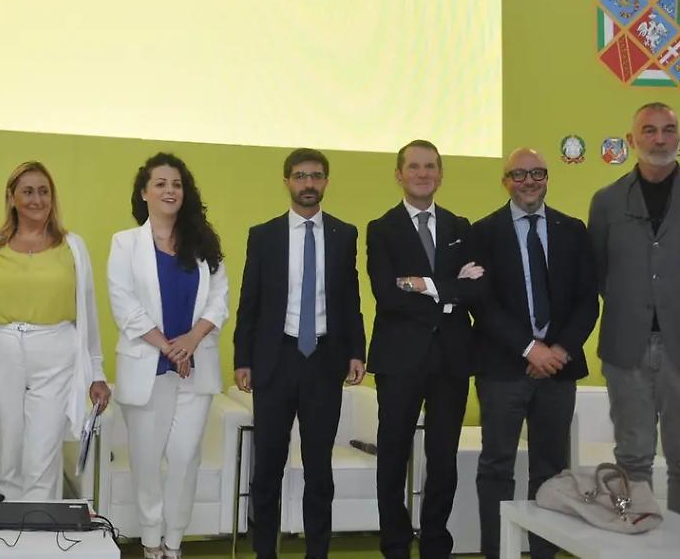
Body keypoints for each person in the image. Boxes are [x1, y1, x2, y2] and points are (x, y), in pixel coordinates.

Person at [589, 102, 680, 524]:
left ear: (679, 137)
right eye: (649, 130)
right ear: (632, 140)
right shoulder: (607, 202)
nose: (659, 139)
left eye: (668, 130)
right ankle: (633, 545)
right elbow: (598, 273)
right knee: (631, 462)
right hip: (627, 350)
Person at [232, 148, 366, 559]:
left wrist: (357, 351)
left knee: (318, 468)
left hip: (324, 362)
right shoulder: (265, 235)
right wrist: (243, 358)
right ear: (287, 181)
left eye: (316, 176)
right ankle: (264, 552)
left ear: (326, 182)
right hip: (276, 361)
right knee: (268, 468)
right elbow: (249, 300)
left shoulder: (344, 234)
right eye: (300, 176)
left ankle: (317, 552)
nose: (309, 183)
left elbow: (350, 298)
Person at [0, 160, 110, 499]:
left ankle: (39, 536)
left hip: (57, 356)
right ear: (11, 198)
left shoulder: (73, 247)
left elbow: (89, 317)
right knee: (9, 456)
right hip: (1, 354)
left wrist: (97, 373)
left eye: (44, 191)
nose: (37, 199)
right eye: (28, 192)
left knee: (42, 456)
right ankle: (13, 534)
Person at [471, 148, 598, 559]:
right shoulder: (483, 232)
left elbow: (586, 301)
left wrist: (557, 350)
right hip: (503, 369)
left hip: (558, 371)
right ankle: (498, 552)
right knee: (496, 468)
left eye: (537, 173)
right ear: (505, 181)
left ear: (547, 177)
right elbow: (482, 304)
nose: (529, 181)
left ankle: (545, 552)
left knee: (551, 472)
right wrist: (530, 349)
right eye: (519, 174)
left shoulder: (573, 229)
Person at [366, 139, 483, 559]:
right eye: (414, 166)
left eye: (430, 166)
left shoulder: (460, 227)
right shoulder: (381, 229)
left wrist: (426, 286)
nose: (422, 173)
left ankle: (436, 542)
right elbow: (388, 294)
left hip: (451, 358)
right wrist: (449, 294)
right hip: (399, 359)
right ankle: (395, 544)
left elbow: (477, 290)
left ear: (440, 173)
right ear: (399, 174)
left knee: (443, 458)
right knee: (393, 455)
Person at [109, 153, 228, 559]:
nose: (169, 190)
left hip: (196, 369)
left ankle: (174, 543)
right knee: (146, 462)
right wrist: (168, 346)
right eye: (160, 184)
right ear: (144, 193)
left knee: (184, 458)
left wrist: (191, 341)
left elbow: (219, 301)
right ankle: (149, 541)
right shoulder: (125, 243)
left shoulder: (205, 241)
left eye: (176, 184)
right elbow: (124, 305)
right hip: (149, 368)